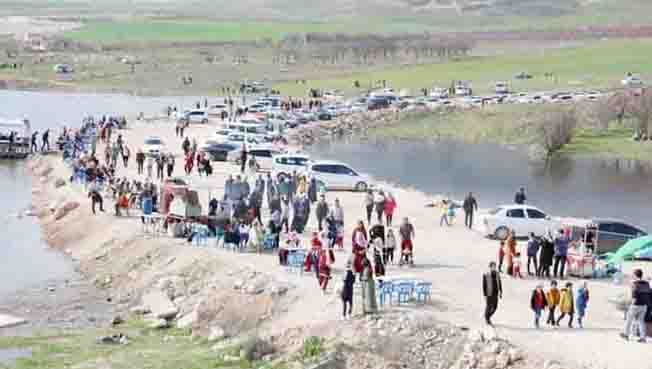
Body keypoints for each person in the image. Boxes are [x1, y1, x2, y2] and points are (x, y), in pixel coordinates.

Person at [620, 268, 650, 342]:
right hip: (644, 305)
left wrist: (630, 305)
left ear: (635, 275)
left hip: (635, 305)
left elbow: (634, 296)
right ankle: (643, 338)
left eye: (633, 274)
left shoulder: (634, 284)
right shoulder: (646, 283)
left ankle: (626, 334)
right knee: (641, 321)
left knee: (629, 320)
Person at [483, 261, 502, 326]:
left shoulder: (497, 274)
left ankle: (487, 316)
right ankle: (487, 318)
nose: (494, 267)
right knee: (488, 306)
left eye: (495, 266)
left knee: (495, 307)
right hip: (489, 293)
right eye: (493, 266)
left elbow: (499, 282)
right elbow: (484, 285)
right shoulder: (486, 274)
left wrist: (501, 291)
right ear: (490, 267)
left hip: (495, 293)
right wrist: (485, 294)